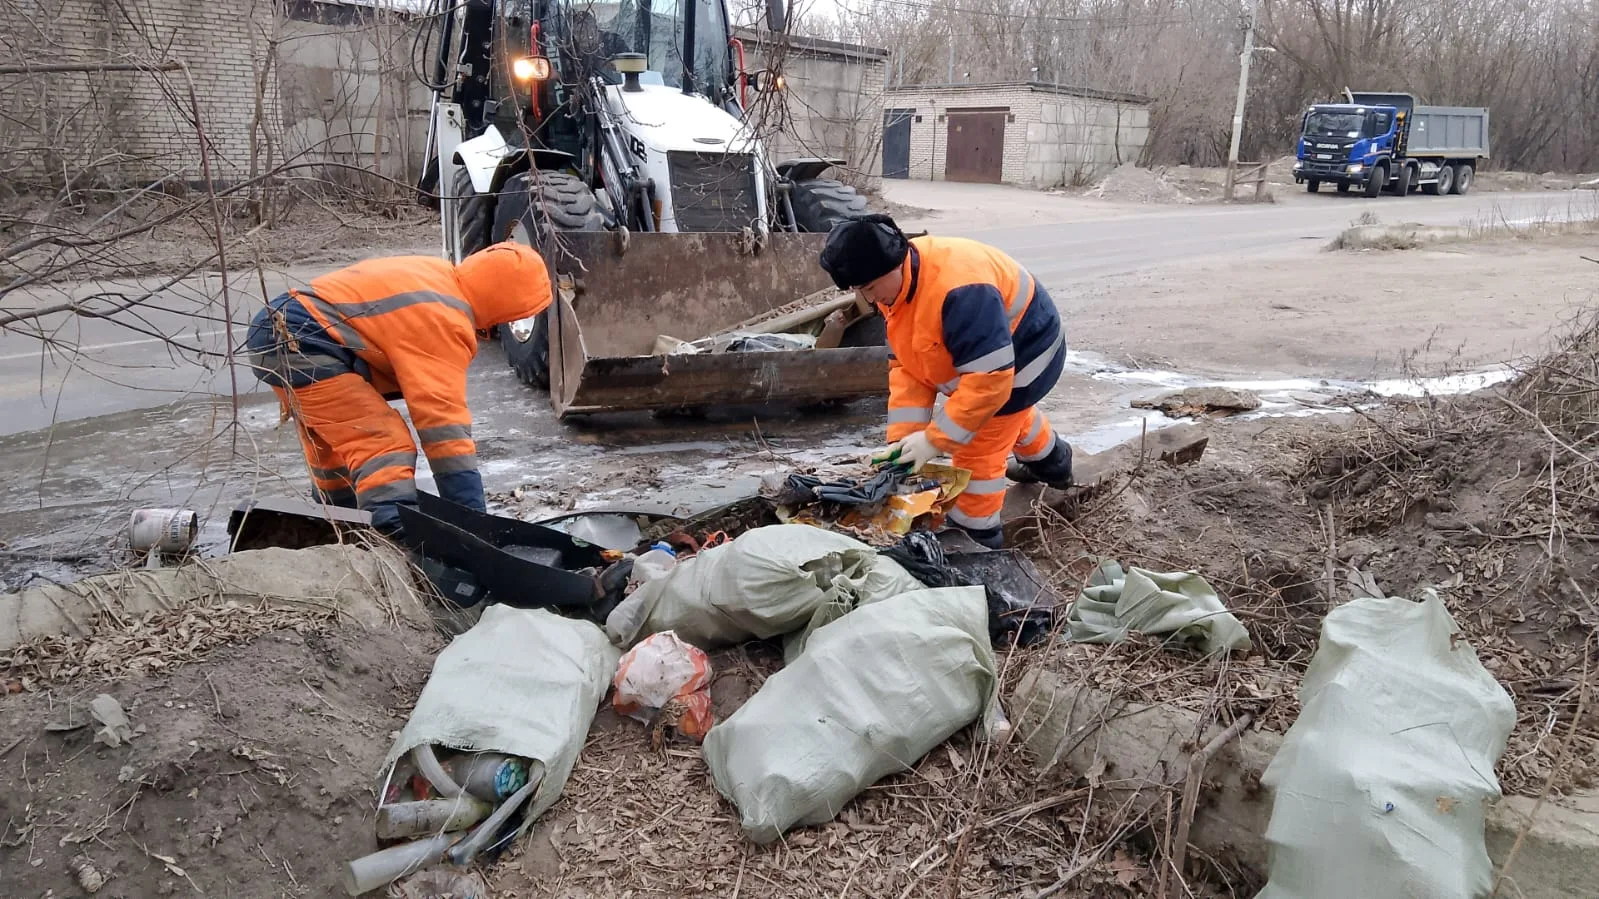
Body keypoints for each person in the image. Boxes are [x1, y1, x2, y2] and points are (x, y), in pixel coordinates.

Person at [245, 242, 553, 535]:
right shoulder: (445, 316)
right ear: (505, 301)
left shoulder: (438, 278)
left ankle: (338, 529)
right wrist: (472, 520)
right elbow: (443, 427)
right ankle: (392, 538)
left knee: (336, 446)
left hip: (280, 330)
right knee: (383, 444)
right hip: (304, 338)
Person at [819, 214, 1074, 549]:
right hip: (989, 359)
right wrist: (904, 441)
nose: (869, 298)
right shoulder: (896, 285)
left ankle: (976, 538)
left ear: (894, 264)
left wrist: (935, 441)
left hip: (1029, 353)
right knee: (1006, 418)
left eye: (869, 288)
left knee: (980, 444)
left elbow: (989, 383)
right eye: (859, 290)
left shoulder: (959, 290)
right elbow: (909, 368)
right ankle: (1055, 464)